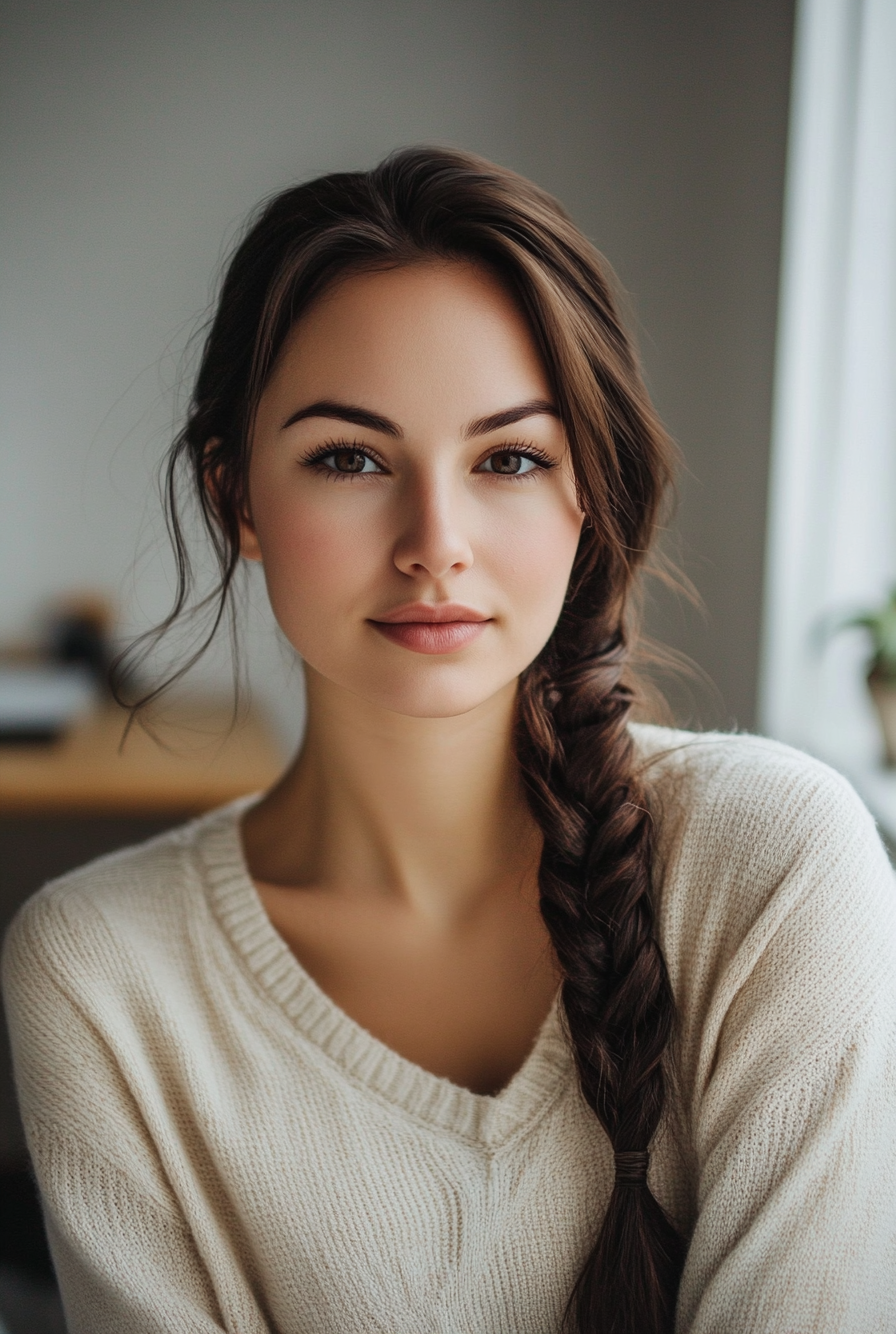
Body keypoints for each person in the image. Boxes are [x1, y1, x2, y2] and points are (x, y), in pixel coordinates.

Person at [3, 147, 895, 1334]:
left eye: (510, 459)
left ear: (589, 497)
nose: (436, 542)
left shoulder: (774, 864)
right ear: (237, 502)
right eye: (350, 458)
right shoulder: (97, 975)